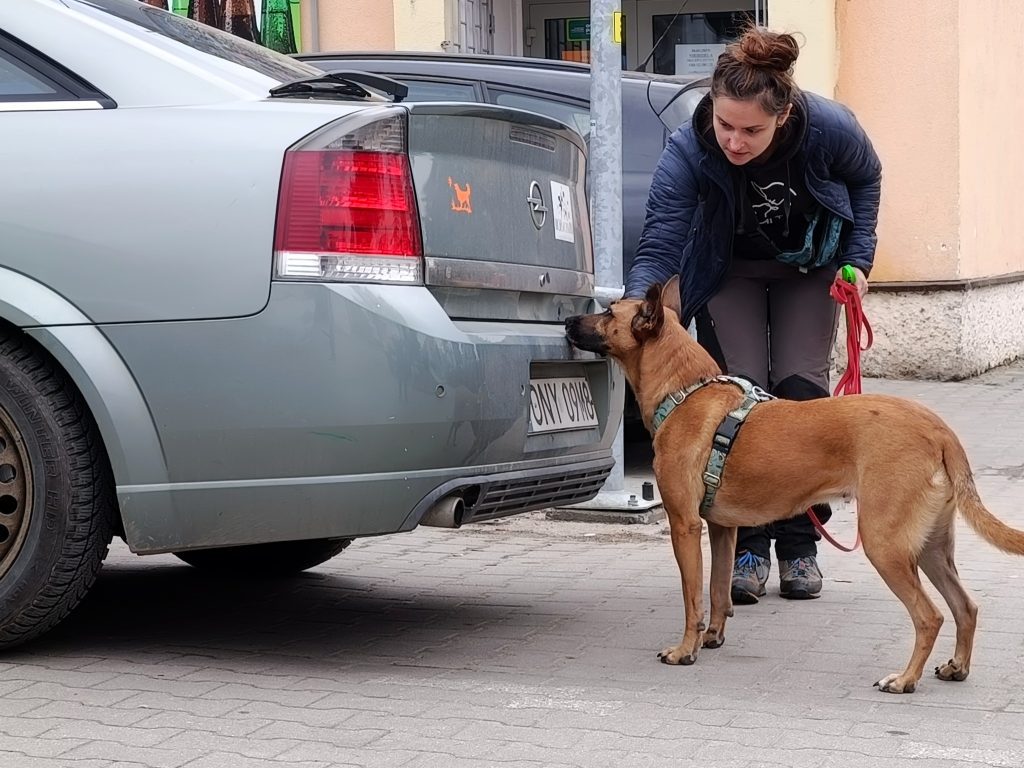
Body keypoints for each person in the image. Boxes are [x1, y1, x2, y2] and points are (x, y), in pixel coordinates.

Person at [624, 26, 881, 603]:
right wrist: (638, 305)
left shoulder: (829, 128)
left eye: (752, 131)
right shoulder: (690, 146)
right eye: (725, 125)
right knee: (739, 394)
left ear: (783, 116)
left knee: (799, 390)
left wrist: (858, 260)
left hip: (809, 266)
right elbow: (662, 237)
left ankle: (799, 547)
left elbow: (866, 179)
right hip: (730, 267)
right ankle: (747, 547)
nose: (734, 142)